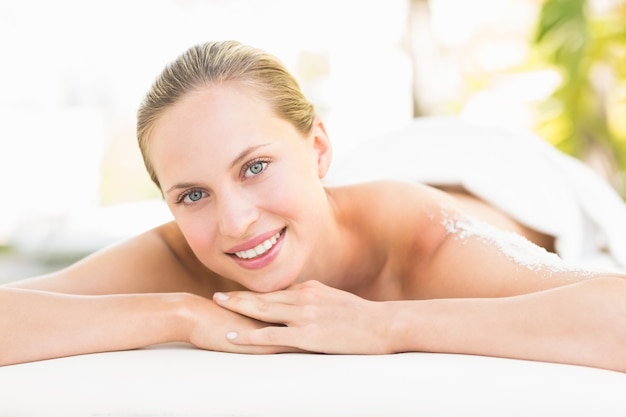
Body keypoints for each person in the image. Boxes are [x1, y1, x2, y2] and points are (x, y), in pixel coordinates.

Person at [2, 40, 626, 371]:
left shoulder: (428, 244)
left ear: (318, 149)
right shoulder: (184, 258)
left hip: (503, 175)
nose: (235, 222)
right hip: (367, 173)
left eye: (254, 167)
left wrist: (388, 325)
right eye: (192, 194)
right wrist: (175, 314)